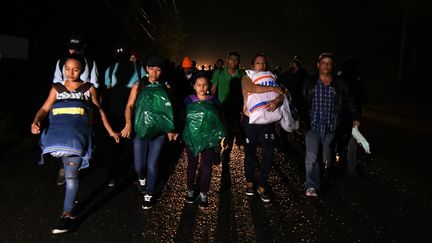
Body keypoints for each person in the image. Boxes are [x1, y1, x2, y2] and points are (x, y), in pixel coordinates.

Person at [31, 54, 119, 234]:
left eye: (75, 69)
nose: (70, 73)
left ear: (82, 71)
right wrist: (36, 121)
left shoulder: (89, 88)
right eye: (67, 69)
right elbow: (45, 108)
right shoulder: (56, 88)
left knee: (71, 176)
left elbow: (99, 111)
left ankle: (67, 214)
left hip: (79, 138)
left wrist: (110, 132)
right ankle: (70, 201)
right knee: (68, 169)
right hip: (59, 137)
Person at [120, 56, 177, 210]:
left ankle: (149, 194)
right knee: (139, 166)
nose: (154, 73)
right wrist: (128, 124)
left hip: (158, 132)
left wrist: (171, 129)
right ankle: (141, 178)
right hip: (140, 130)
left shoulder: (165, 86)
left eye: (157, 70)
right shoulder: (139, 85)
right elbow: (129, 106)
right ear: (146, 69)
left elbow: (170, 109)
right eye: (151, 69)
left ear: (162, 71)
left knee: (152, 163)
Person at [302, 52, 360, 197]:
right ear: (318, 65)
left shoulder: (340, 84)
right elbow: (301, 100)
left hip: (331, 128)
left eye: (329, 63)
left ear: (333, 66)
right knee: (312, 156)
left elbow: (350, 101)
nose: (326, 65)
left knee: (327, 157)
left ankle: (325, 174)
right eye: (324, 62)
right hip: (313, 127)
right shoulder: (310, 83)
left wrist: (355, 117)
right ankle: (311, 185)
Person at [53, 34, 100, 186]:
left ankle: (76, 163)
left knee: (80, 134)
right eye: (70, 48)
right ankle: (63, 168)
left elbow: (95, 85)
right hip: (63, 107)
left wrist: (93, 106)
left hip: (83, 108)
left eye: (76, 49)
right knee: (63, 136)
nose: (73, 51)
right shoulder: (61, 62)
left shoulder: (91, 64)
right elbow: (56, 83)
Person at [241, 53, 284, 203]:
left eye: (264, 63)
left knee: (269, 153)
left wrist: (277, 101)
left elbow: (283, 95)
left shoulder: (272, 78)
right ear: (252, 66)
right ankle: (250, 182)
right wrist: (276, 89)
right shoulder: (247, 77)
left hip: (268, 122)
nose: (262, 65)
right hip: (251, 122)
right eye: (258, 63)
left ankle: (262, 185)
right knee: (250, 153)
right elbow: (252, 88)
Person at [102, 46, 146, 187]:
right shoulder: (139, 69)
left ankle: (111, 177)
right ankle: (134, 175)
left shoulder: (109, 70)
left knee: (112, 147)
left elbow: (106, 90)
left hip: (113, 113)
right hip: (133, 113)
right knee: (133, 146)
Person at [182, 72, 225, 208]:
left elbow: (220, 119)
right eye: (198, 84)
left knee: (206, 167)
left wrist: (223, 136)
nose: (201, 87)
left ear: (208, 86)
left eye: (204, 84)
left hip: (208, 140)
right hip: (192, 139)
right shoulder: (188, 100)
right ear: (194, 86)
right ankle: (190, 190)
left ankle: (203, 194)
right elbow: (182, 118)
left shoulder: (213, 100)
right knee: (192, 165)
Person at [210, 51, 245, 167]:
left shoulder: (242, 74)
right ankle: (216, 149)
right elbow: (213, 90)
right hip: (221, 108)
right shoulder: (218, 73)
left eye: (236, 59)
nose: (233, 61)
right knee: (219, 130)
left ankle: (226, 153)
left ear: (238, 62)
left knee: (230, 133)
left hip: (236, 109)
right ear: (227, 60)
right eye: (231, 59)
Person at [335, 56, 366, 176]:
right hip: (351, 114)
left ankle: (340, 164)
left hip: (342, 114)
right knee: (352, 139)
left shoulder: (340, 77)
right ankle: (350, 168)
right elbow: (363, 96)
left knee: (341, 139)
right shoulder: (356, 78)